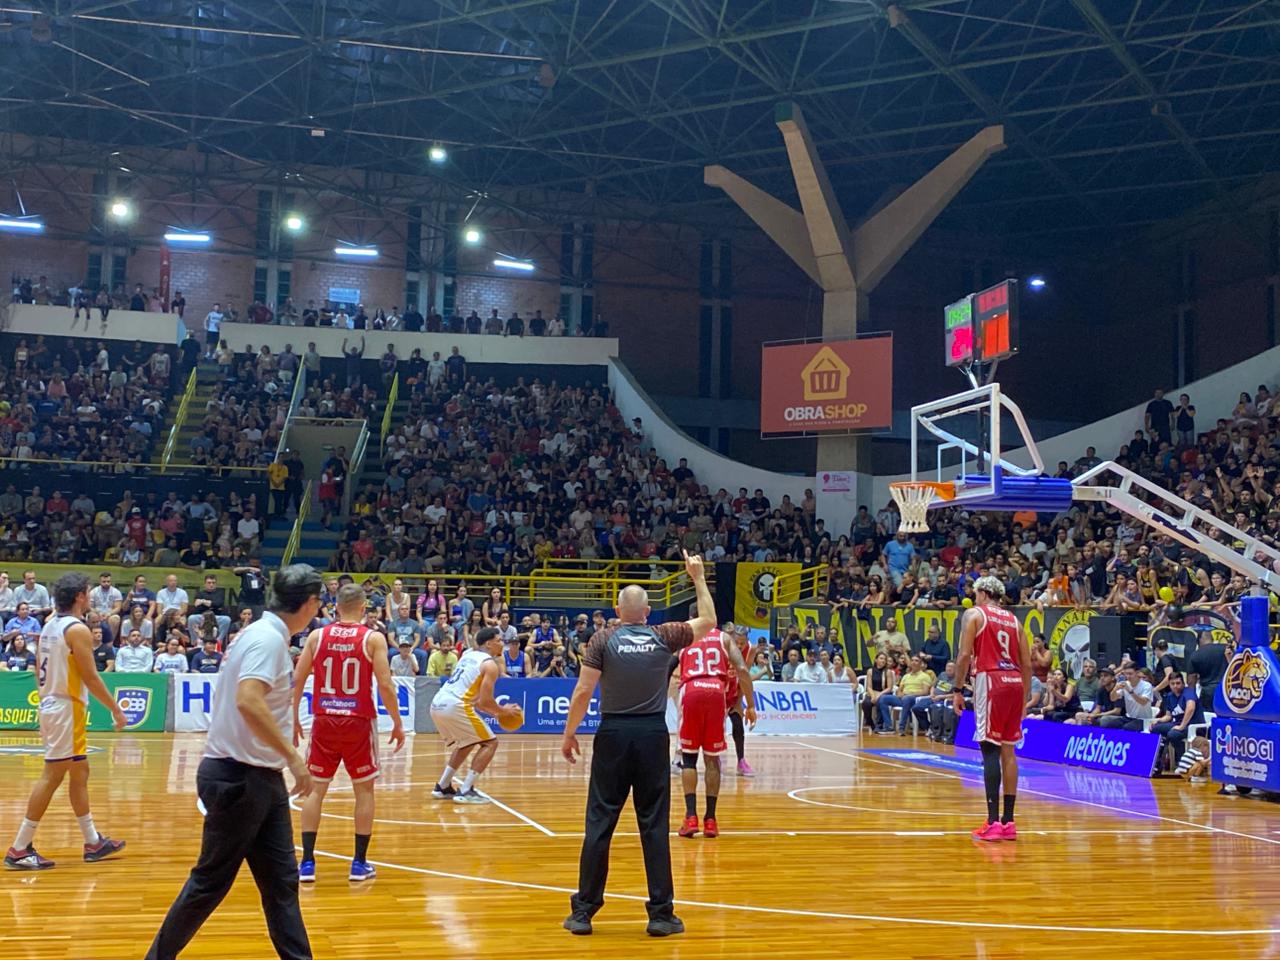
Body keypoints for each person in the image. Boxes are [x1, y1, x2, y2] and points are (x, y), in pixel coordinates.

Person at [145, 565, 323, 960]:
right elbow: (248, 699)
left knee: (281, 883)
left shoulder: (261, 633)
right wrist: (295, 757)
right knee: (210, 881)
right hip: (239, 778)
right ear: (310, 603)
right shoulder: (267, 641)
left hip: (259, 777)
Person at [560, 550, 714, 938]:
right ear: (647, 612)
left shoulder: (602, 638)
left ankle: (584, 913)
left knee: (599, 822)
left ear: (617, 609)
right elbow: (709, 621)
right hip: (650, 735)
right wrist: (696, 577)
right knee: (654, 825)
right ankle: (661, 914)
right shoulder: (664, 636)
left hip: (613, 734)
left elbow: (583, 690)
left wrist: (569, 732)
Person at [5, 572, 128, 870]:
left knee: (80, 771)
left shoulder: (49, 626)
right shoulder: (77, 630)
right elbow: (90, 676)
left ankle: (92, 841)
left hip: (53, 703)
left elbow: (38, 668)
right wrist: (116, 709)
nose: (89, 597)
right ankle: (20, 848)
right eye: (87, 592)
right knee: (53, 775)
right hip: (66, 708)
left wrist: (44, 701)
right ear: (80, 597)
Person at [292, 583, 405, 883]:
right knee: (364, 790)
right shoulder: (373, 638)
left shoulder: (317, 636)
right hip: (357, 719)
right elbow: (385, 684)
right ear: (364, 606)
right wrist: (397, 721)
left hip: (325, 718)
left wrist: (292, 718)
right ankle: (358, 863)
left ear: (335, 606)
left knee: (316, 789)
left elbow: (298, 678)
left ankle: (306, 864)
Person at [953, 576, 1030, 843]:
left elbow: (964, 656)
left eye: (975, 593)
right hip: (1015, 683)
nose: (973, 598)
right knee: (1008, 751)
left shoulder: (974, 614)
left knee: (989, 748)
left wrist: (958, 689)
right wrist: (1025, 699)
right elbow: (1027, 663)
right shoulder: (1015, 620)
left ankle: (992, 822)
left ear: (984, 593)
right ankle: (1009, 822)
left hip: (991, 679)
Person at [674, 623, 755, 839]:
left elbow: (665, 668)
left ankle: (691, 816)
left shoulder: (684, 636)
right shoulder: (723, 638)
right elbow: (743, 670)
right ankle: (710, 820)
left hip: (691, 690)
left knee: (689, 759)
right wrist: (751, 705)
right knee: (712, 759)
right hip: (716, 692)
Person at [428, 626, 521, 803]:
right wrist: (504, 711)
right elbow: (485, 701)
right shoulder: (490, 665)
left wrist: (496, 713)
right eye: (499, 640)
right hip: (455, 705)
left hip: (438, 703)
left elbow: (477, 701)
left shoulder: (467, 655)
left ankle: (443, 786)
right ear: (489, 643)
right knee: (490, 743)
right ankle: (466, 790)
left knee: (467, 743)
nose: (502, 644)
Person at [722, 624, 755, 776]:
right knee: (715, 729)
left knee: (738, 726)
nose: (740, 646)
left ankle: (741, 761)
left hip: (735, 690)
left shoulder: (751, 650)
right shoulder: (724, 646)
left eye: (743, 643)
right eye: (737, 643)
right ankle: (714, 758)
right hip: (719, 689)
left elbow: (744, 677)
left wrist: (740, 700)